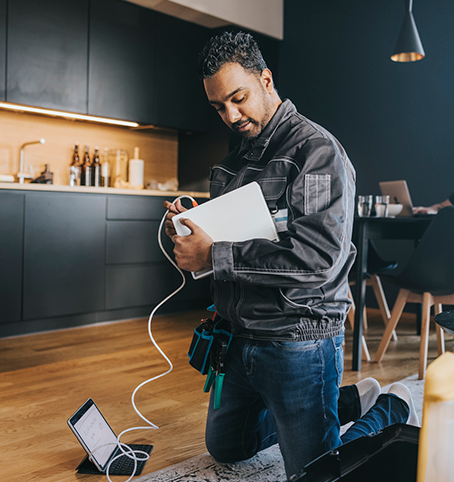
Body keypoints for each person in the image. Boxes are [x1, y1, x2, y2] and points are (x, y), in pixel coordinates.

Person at [163, 31, 417, 480]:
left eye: (237, 98)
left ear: (266, 79)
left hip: (298, 339)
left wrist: (213, 254)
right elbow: (241, 239)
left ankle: (390, 410)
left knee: (319, 474)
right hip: (238, 338)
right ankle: (342, 403)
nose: (231, 114)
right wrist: (199, 228)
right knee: (227, 448)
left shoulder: (316, 152)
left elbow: (317, 259)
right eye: (219, 106)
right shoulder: (233, 162)